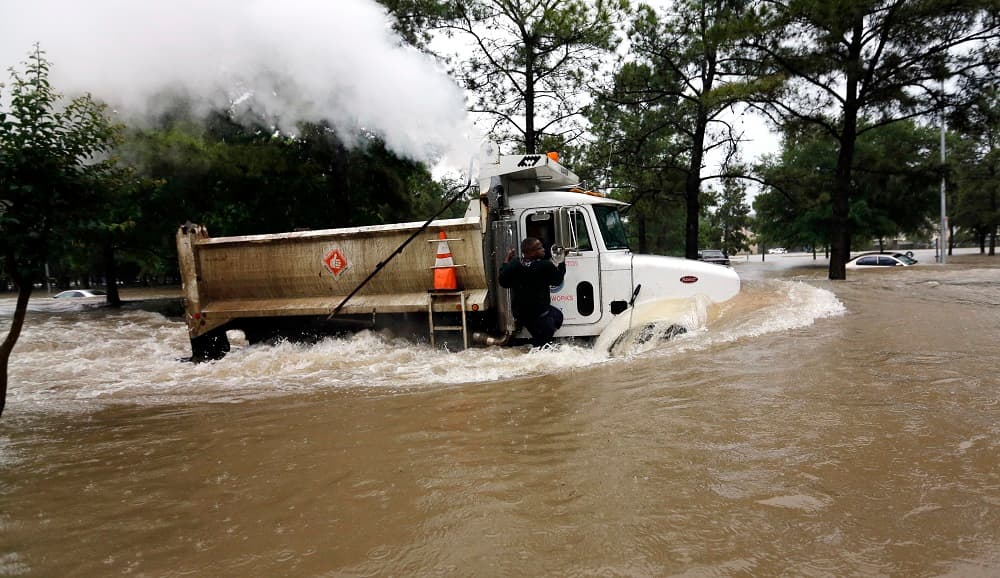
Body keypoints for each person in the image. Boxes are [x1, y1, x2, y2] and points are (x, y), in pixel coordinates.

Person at [498, 237, 566, 347]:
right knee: (545, 344)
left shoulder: (515, 264)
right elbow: (558, 280)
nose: (544, 249)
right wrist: (562, 261)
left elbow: (502, 281)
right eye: (540, 248)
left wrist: (506, 260)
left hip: (520, 314)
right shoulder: (545, 265)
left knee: (555, 316)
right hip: (540, 315)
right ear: (530, 252)